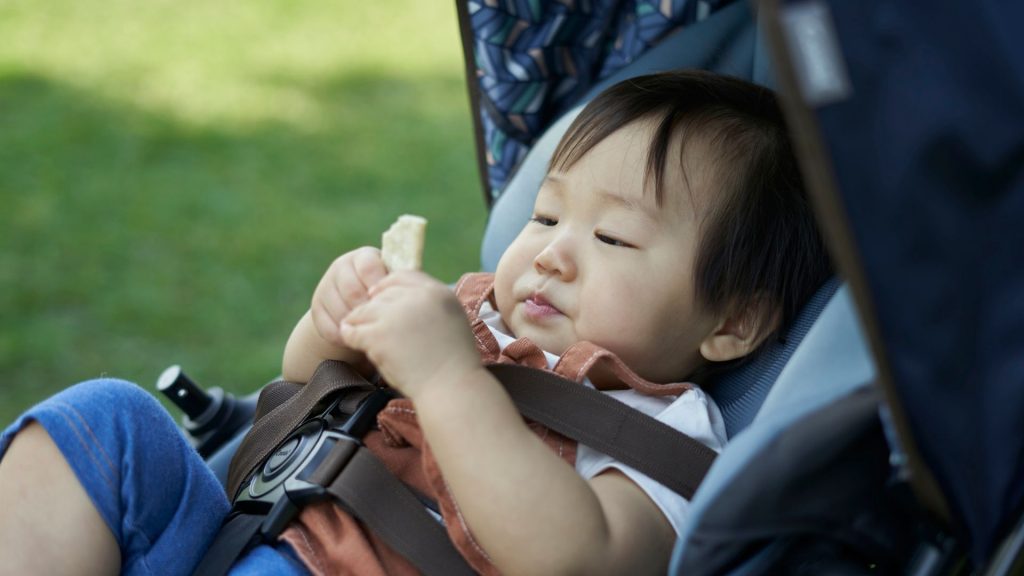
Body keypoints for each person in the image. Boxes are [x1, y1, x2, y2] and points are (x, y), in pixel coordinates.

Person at [0, 70, 831, 575]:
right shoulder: (468, 313)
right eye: (545, 219)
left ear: (733, 322)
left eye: (612, 237)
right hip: (242, 536)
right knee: (104, 419)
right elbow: (304, 390)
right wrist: (331, 328)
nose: (550, 256)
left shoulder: (668, 434)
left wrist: (445, 379)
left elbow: (578, 558)